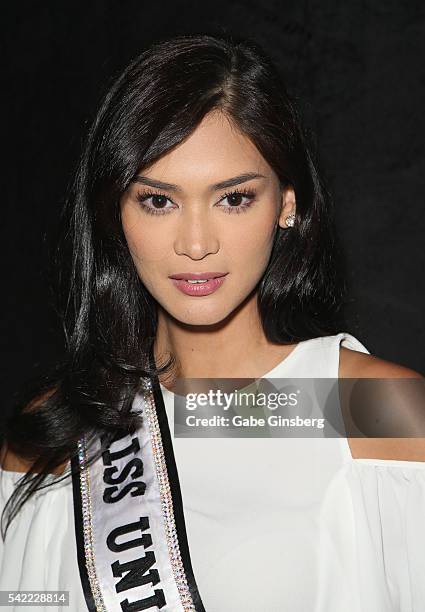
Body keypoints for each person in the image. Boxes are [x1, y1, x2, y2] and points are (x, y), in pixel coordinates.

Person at [1, 33, 424, 612]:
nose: (196, 244)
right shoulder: (53, 432)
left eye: (233, 199)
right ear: (114, 213)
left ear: (287, 203)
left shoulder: (366, 405)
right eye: (159, 201)